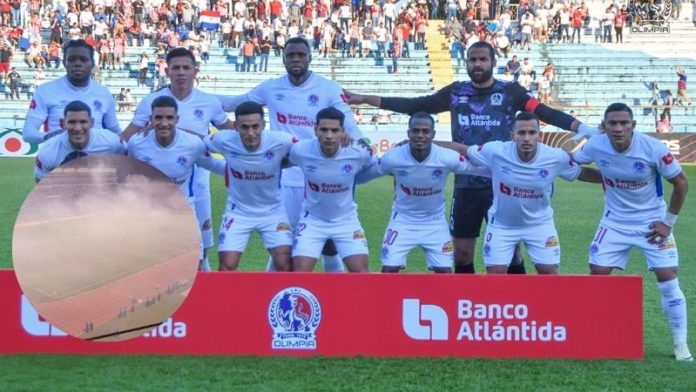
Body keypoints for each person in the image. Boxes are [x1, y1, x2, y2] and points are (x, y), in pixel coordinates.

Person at [346, 41, 598, 275]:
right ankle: (471, 305)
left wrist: (582, 129)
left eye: (482, 59)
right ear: (466, 63)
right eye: (472, 60)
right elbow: (414, 105)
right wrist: (367, 100)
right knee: (462, 253)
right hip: (467, 179)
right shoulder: (455, 93)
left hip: (502, 181)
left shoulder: (510, 92)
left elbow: (545, 113)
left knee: (510, 253)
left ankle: (516, 307)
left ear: (492, 62)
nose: (477, 64)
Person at [217, 37, 364, 273]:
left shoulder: (328, 88)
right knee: (284, 245)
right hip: (288, 177)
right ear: (283, 59)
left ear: (310, 57)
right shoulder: (271, 87)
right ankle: (275, 295)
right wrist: (193, 97)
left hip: (323, 173)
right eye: (290, 55)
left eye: (301, 55)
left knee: (330, 245)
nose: (296, 59)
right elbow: (234, 103)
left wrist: (358, 140)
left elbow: (351, 125)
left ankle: (332, 299)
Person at [570, 102, 691, 362]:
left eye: (624, 123)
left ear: (633, 125)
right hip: (614, 222)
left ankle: (681, 344)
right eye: (612, 123)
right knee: (597, 275)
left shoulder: (653, 148)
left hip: (652, 222)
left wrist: (668, 222)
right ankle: (597, 336)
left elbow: (680, 182)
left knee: (667, 277)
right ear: (604, 126)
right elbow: (572, 166)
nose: (618, 128)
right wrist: (602, 177)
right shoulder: (595, 145)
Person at [121, 47, 234, 272]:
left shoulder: (209, 101)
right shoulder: (152, 101)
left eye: (186, 68)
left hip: (198, 176)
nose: (181, 72)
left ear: (195, 71)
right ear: (168, 71)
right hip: (161, 175)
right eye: (176, 68)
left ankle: (204, 273)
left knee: (201, 234)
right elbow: (127, 137)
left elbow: (230, 131)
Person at [444, 111, 600, 273]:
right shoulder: (497, 151)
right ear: (513, 135)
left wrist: (615, 180)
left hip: (539, 225)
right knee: (495, 275)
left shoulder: (555, 157)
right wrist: (425, 143)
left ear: (540, 135)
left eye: (532, 133)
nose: (526, 138)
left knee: (549, 273)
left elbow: (582, 173)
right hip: (502, 225)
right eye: (521, 133)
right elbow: (462, 149)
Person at [359, 112, 490, 273]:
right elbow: (368, 173)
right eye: (415, 131)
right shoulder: (393, 157)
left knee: (445, 273)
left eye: (425, 131)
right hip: (402, 222)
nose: (420, 135)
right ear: (408, 133)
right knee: (388, 271)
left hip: (434, 223)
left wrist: (505, 172)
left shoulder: (446, 157)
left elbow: (475, 169)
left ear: (433, 134)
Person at [127, 96, 226, 272]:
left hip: (183, 214)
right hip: (148, 215)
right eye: (158, 118)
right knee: (148, 268)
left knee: (194, 265)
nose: (164, 123)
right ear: (151, 119)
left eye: (169, 118)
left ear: (177, 120)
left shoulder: (192, 144)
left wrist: (246, 170)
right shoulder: (137, 143)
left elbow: (216, 165)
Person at [204, 102, 295, 272]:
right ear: (236, 126)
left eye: (255, 126)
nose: (251, 133)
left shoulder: (281, 140)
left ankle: (270, 298)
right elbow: (198, 142)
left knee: (284, 263)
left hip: (273, 212)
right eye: (244, 127)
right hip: (238, 212)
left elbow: (309, 149)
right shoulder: (223, 140)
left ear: (263, 125)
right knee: (227, 266)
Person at [288, 107, 375, 273]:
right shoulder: (300, 151)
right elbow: (280, 161)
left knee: (362, 274)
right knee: (299, 273)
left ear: (343, 132)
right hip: (312, 220)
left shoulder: (359, 152)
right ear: (315, 130)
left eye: (335, 130)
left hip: (346, 221)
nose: (329, 136)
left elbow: (376, 167)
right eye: (324, 130)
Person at [22, 39, 121, 144]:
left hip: (94, 158)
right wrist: (52, 137)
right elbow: (28, 133)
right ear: (64, 63)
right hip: (58, 158)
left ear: (92, 64)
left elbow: (115, 131)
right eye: (72, 59)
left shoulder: (103, 93)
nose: (77, 63)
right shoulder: (45, 91)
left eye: (83, 60)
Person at [34, 100, 125, 182]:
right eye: (72, 122)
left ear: (92, 122)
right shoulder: (48, 151)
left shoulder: (112, 142)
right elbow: (41, 190)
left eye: (83, 122)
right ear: (64, 123)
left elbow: (126, 167)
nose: (77, 128)